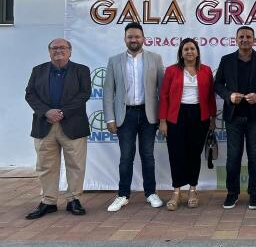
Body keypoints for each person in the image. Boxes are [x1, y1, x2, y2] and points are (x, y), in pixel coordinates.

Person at [24, 38, 91, 219]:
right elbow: (30, 94)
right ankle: (48, 201)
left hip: (72, 124)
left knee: (76, 165)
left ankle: (74, 199)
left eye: (63, 48)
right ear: (49, 51)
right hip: (44, 125)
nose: (58, 51)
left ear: (70, 51)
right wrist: (46, 112)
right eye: (54, 48)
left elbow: (84, 94)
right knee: (46, 166)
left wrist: (61, 112)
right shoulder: (38, 70)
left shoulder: (81, 70)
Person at [103, 22, 165, 212]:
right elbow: (108, 92)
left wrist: (162, 118)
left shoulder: (155, 58)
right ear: (125, 39)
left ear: (143, 39)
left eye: (137, 37)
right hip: (125, 115)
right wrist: (110, 119)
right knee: (126, 157)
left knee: (147, 156)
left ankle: (151, 193)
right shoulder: (115, 61)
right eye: (130, 37)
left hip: (148, 115)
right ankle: (122, 195)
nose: (134, 40)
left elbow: (162, 91)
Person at [215, 26, 256, 210]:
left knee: (255, 157)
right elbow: (217, 85)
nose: (245, 39)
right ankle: (232, 193)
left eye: (248, 37)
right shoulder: (226, 60)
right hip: (233, 116)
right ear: (236, 39)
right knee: (233, 157)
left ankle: (254, 195)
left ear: (254, 39)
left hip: (255, 117)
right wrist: (229, 95)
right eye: (241, 37)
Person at [159, 38, 216, 211]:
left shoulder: (206, 71)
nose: (189, 52)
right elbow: (164, 96)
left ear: (197, 52)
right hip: (176, 117)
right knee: (176, 154)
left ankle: (192, 189)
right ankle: (176, 191)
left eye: (192, 48)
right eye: (186, 49)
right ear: (181, 53)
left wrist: (212, 119)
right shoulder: (171, 71)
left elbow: (210, 97)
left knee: (194, 154)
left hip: (199, 116)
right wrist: (163, 121)